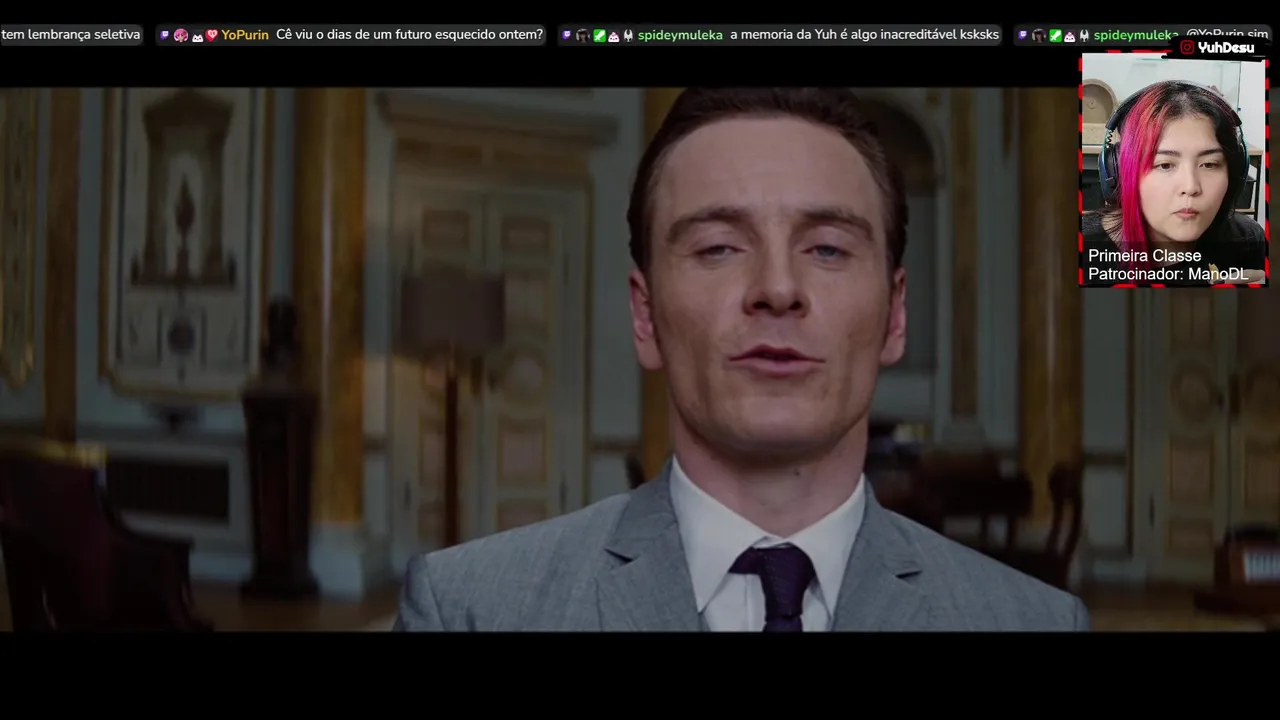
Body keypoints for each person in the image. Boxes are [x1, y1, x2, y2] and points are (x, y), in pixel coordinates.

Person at [395, 88, 1090, 632]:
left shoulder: (1037, 622)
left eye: (827, 248)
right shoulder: (468, 610)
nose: (777, 289)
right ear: (645, 316)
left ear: (896, 314)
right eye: (719, 247)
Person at [1082, 80, 1267, 286]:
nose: (1190, 187)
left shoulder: (1247, 239)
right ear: (1120, 171)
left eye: (1209, 164)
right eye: (1164, 165)